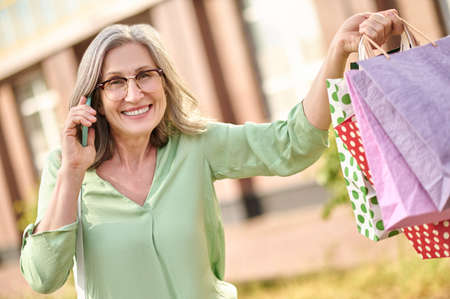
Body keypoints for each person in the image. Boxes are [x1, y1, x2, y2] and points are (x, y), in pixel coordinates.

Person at [20, 9, 404, 299]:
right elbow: (43, 277)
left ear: (164, 82)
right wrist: (72, 172)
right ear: (95, 100)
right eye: (116, 82)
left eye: (145, 75)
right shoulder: (66, 168)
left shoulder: (196, 144)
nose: (134, 94)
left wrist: (337, 52)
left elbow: (291, 145)